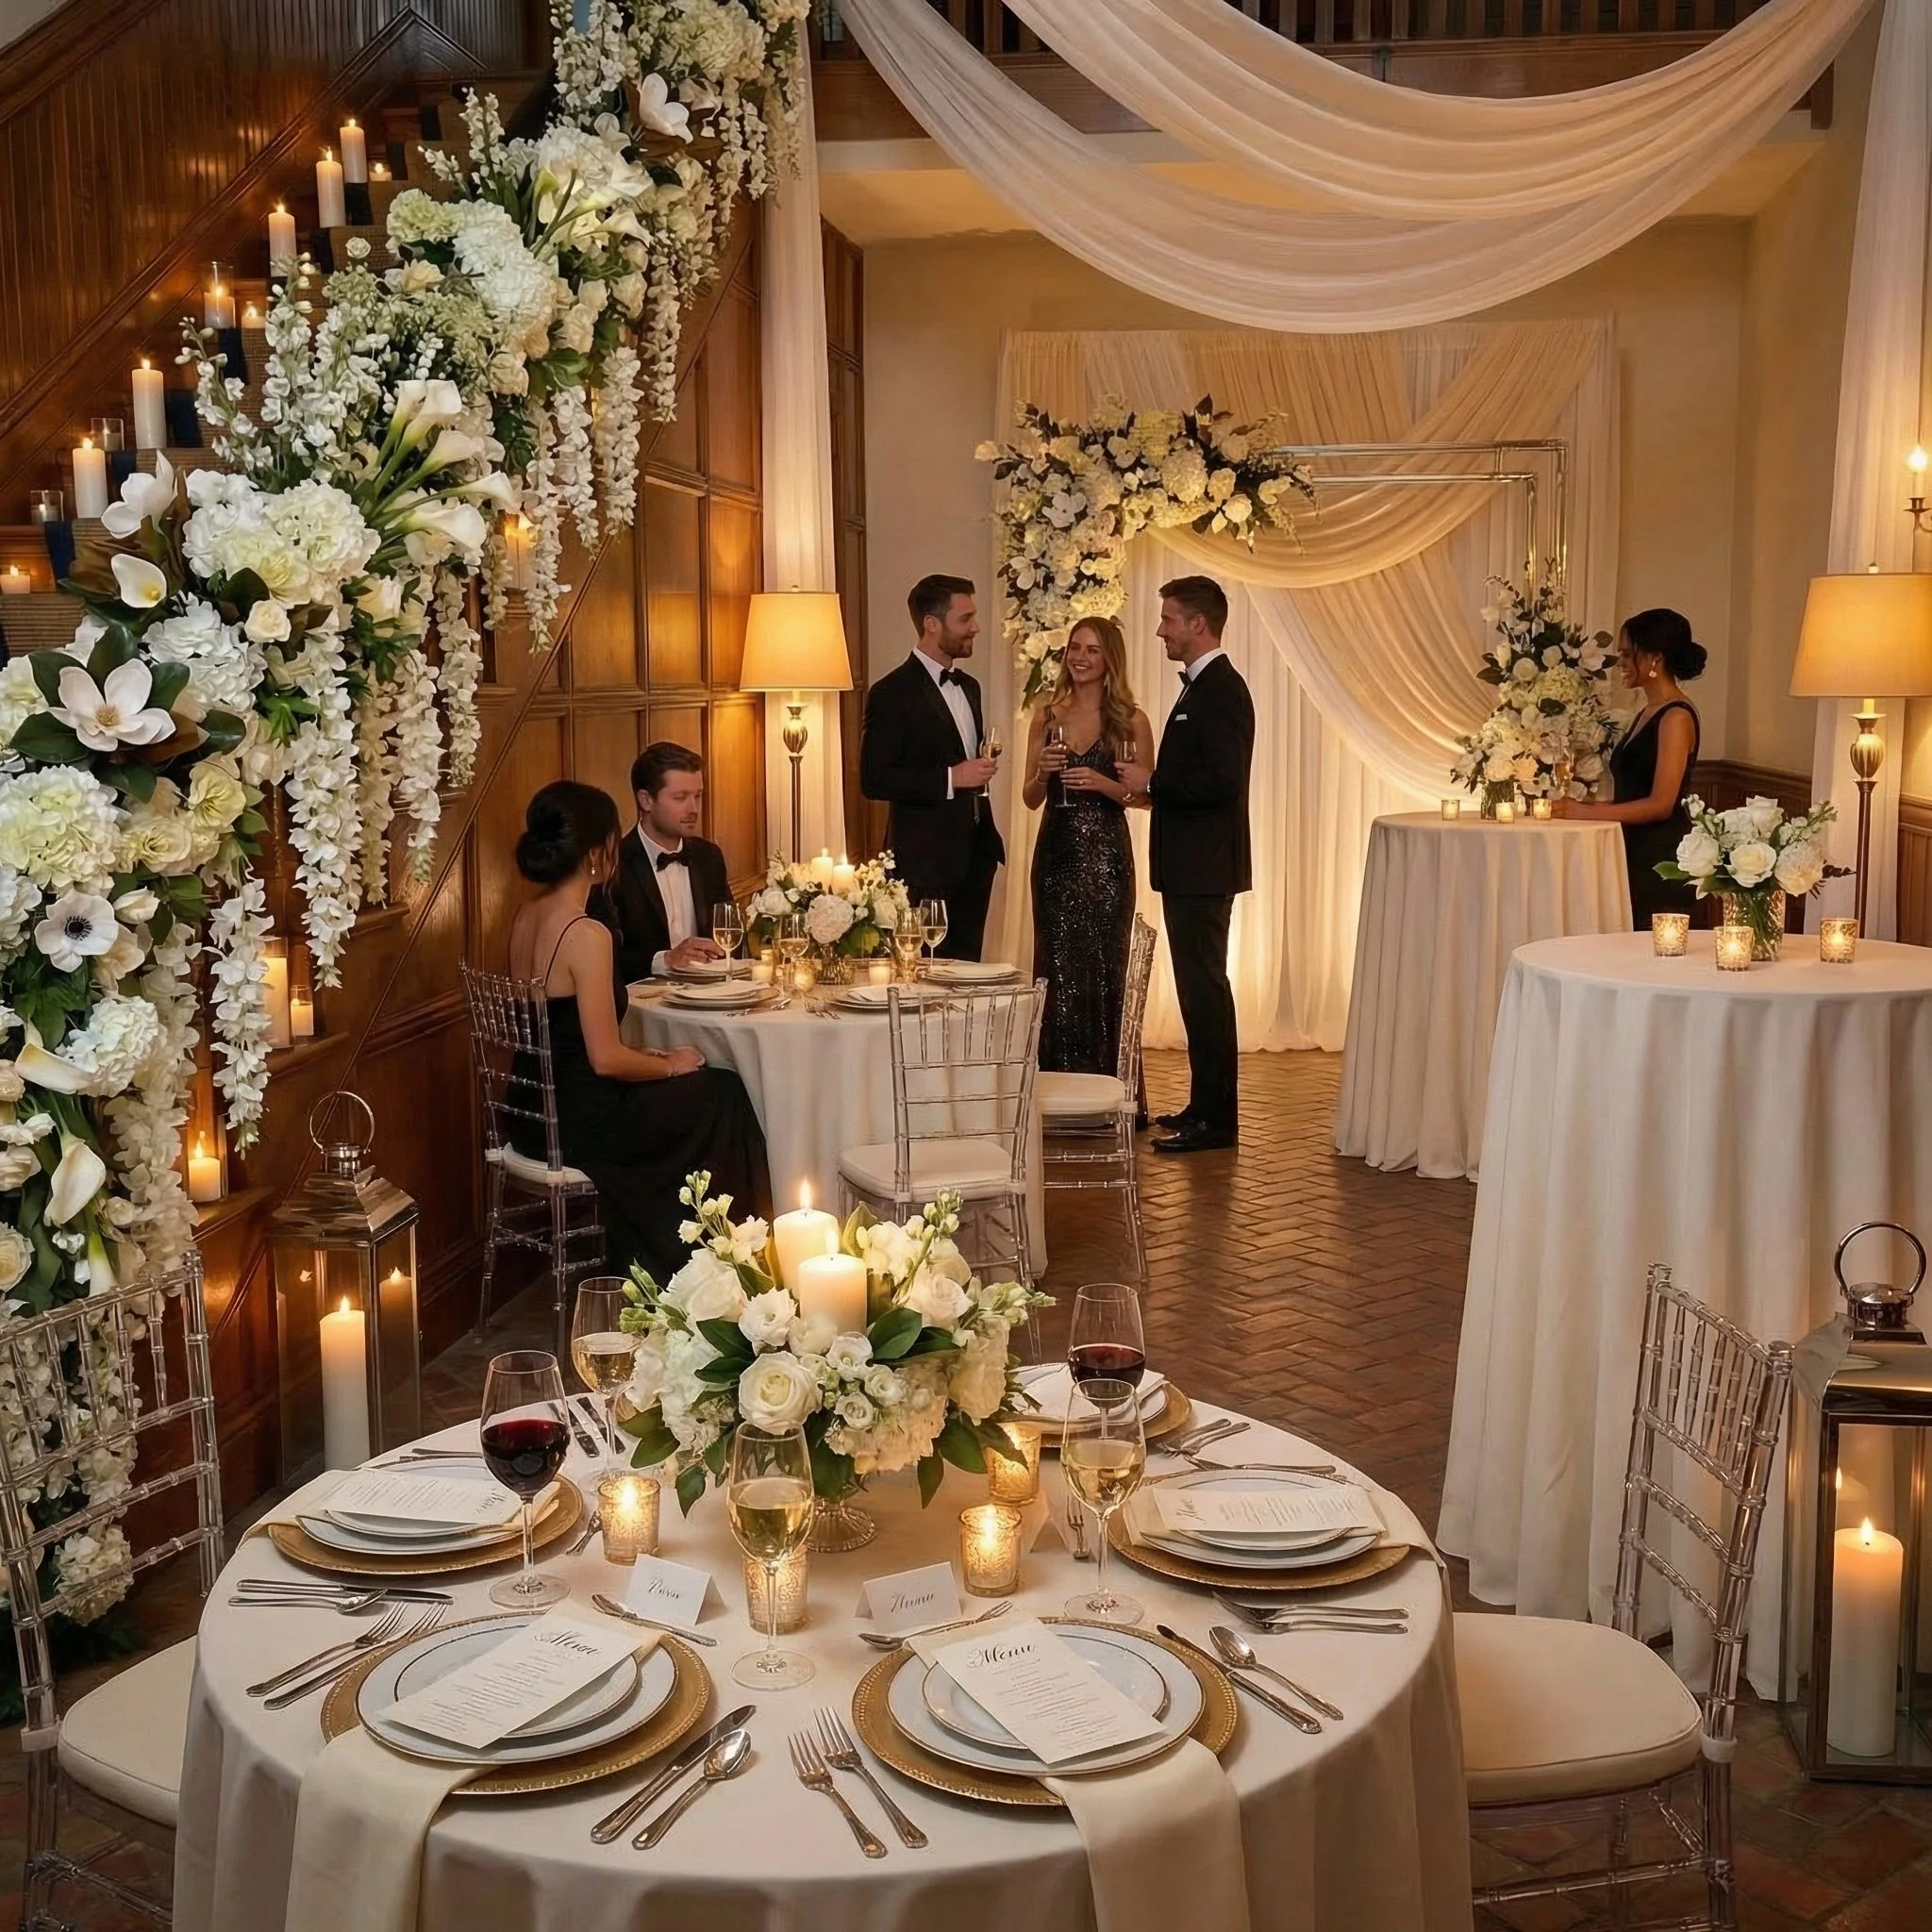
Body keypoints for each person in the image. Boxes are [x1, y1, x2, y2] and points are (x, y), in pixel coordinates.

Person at [507, 780, 770, 1281]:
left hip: (531, 1108)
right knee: (723, 1093)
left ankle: (700, 1262)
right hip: (579, 1118)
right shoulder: (585, 933)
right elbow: (606, 1060)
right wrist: (668, 1063)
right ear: (596, 852)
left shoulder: (526, 916)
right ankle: (703, 1269)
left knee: (699, 1092)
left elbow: (563, 1036)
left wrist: (647, 1057)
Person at [1118, 575, 1254, 1155]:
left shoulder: (1222, 689)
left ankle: (1217, 1122)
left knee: (1206, 990)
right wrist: (1155, 790)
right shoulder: (1202, 688)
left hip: (1204, 868)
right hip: (1191, 865)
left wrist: (1154, 782)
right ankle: (1205, 1106)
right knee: (1198, 990)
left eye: (1169, 619)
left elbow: (1223, 782)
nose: (1160, 630)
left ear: (1198, 624)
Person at [1023, 616, 1154, 1075]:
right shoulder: (1047, 715)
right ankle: (1057, 1091)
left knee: (1105, 971)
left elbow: (1145, 798)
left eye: (1092, 650)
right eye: (1075, 648)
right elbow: (1030, 797)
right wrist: (1042, 771)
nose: (1079, 657)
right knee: (1056, 972)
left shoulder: (1131, 720)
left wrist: (1102, 783)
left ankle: (1108, 1092)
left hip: (1108, 859)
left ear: (1109, 659)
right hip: (1056, 856)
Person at [859, 574, 1005, 959]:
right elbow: (874, 779)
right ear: (931, 623)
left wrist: (978, 770)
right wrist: (952, 778)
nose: (975, 627)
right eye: (965, 618)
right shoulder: (890, 693)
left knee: (967, 973)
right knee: (923, 976)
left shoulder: (969, 685)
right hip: (924, 863)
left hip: (976, 856)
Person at [1552, 608, 1705, 927]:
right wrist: (1580, 808)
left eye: (1626, 654)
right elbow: (1632, 792)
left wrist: (1587, 812)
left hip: (1660, 859)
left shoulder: (1676, 717)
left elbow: (1661, 804)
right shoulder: (1648, 711)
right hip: (1632, 850)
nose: (1619, 663)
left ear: (1654, 659)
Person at [594, 741, 731, 986]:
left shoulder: (709, 857)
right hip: (642, 1011)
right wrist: (665, 959)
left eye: (698, 796)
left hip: (711, 1001)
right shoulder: (613, 865)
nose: (694, 809)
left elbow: (728, 934)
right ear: (646, 801)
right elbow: (604, 957)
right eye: (681, 797)